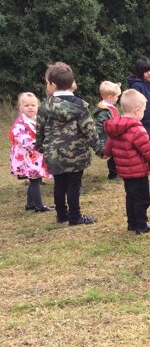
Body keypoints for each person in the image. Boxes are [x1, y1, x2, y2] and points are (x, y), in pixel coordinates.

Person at [35, 61, 103, 225]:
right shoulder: (80, 105)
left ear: (53, 84)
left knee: (59, 184)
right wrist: (100, 149)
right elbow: (89, 130)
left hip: (54, 154)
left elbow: (39, 129)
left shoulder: (44, 106)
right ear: (71, 83)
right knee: (73, 185)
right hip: (76, 155)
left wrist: (39, 146)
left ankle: (61, 215)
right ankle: (74, 217)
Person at [103, 90, 150, 234]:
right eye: (143, 110)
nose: (143, 113)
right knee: (142, 199)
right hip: (138, 171)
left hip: (124, 171)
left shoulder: (116, 128)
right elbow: (148, 150)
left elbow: (108, 147)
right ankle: (141, 225)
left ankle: (132, 223)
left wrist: (106, 153)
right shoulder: (137, 130)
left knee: (130, 197)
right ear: (136, 110)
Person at [9, 92, 53, 212]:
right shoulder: (20, 123)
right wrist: (38, 144)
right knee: (34, 179)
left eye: (33, 105)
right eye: (26, 105)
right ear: (21, 107)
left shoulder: (37, 119)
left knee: (36, 178)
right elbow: (22, 138)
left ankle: (30, 204)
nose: (30, 108)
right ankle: (39, 206)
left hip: (35, 155)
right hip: (26, 156)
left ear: (37, 106)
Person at [94, 81, 121, 180]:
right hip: (108, 138)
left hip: (115, 136)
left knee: (117, 155)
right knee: (112, 156)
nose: (117, 98)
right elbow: (99, 126)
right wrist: (99, 138)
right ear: (110, 97)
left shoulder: (111, 108)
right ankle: (113, 174)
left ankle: (118, 172)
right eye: (117, 96)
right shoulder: (103, 111)